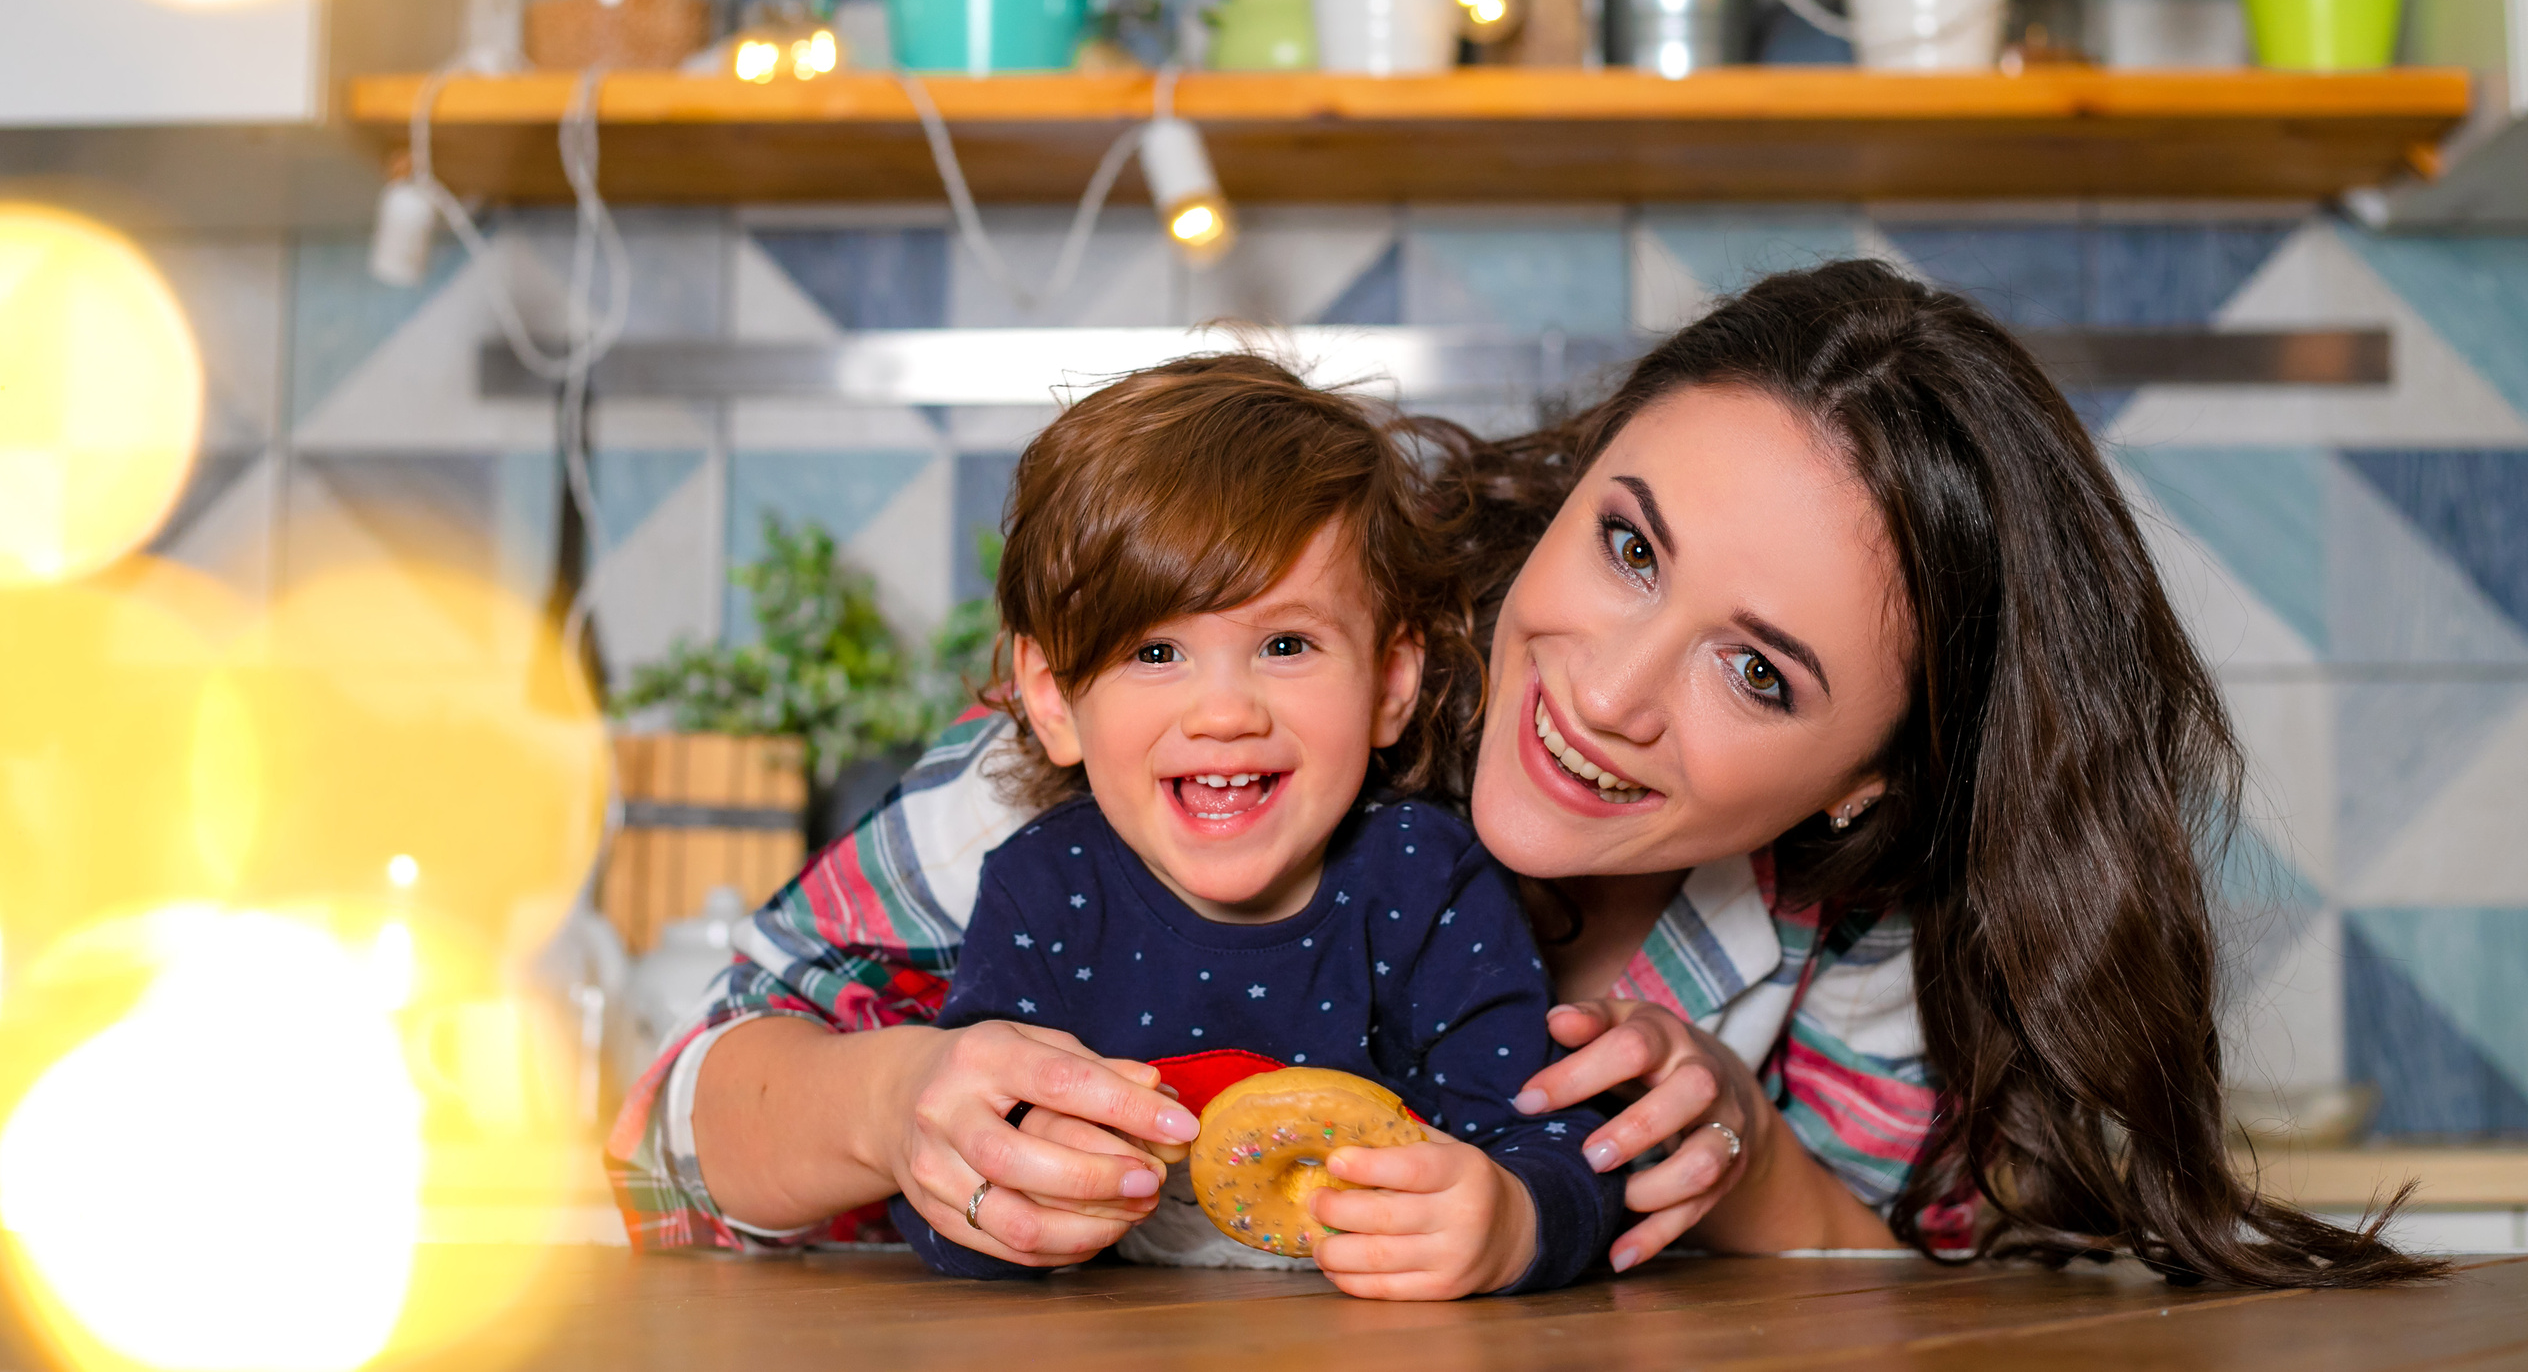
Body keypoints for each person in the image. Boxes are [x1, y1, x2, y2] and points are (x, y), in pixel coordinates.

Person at [610, 260, 2433, 1287]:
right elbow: (670, 1117)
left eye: (1757, 669)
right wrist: (890, 1103)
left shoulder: (1850, 928)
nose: (1610, 692)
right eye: (1627, 544)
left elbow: (1910, 1294)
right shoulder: (1194, 715)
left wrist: (1730, 1149)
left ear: (1871, 778)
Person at [880, 356, 1620, 1295]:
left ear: (1390, 680)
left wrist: (1512, 1221)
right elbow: (945, 1177)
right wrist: (1004, 1191)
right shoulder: (1044, 888)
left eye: (1286, 644)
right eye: (1155, 650)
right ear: (1053, 697)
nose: (1224, 711)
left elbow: (1559, 1140)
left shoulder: (1429, 882)